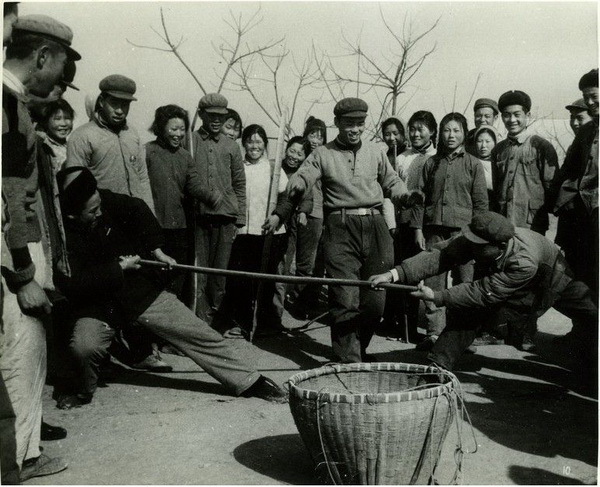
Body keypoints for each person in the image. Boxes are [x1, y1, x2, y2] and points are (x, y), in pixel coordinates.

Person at [54, 166, 288, 407]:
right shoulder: (60, 232)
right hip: (99, 305)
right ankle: (82, 391)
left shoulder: (104, 200)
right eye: (93, 211)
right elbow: (73, 284)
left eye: (100, 205)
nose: (100, 212)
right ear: (72, 215)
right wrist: (118, 269)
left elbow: (138, 209)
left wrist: (156, 249)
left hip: (137, 291)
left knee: (198, 333)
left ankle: (250, 380)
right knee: (84, 346)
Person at [369, 211, 598, 373]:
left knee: (590, 312)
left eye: (478, 246)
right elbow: (440, 255)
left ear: (498, 247)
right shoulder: (479, 238)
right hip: (507, 277)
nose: (470, 247)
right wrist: (393, 274)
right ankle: (439, 365)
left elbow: (482, 291)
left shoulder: (523, 260)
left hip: (552, 276)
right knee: (470, 312)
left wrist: (437, 297)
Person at [2, 14, 81, 481]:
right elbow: (10, 196)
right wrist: (24, 275)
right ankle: (17, 461)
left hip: (16, 252)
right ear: (42, 57)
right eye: (59, 66)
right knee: (20, 355)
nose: (60, 81)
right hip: (14, 257)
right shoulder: (9, 109)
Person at [287, 97, 418, 363]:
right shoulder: (323, 153)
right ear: (337, 124)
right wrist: (298, 185)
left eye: (360, 124)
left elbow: (391, 181)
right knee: (345, 297)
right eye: (349, 124)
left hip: (376, 226)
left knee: (375, 301)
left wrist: (405, 196)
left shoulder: (375, 152)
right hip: (340, 227)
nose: (355, 129)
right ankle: (349, 360)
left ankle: (357, 347)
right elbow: (304, 174)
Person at [411, 112, 488, 351]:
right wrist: (417, 229)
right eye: (446, 130)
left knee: (465, 284)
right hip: (434, 231)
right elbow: (419, 199)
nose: (451, 135)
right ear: (439, 133)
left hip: (464, 234)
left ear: (464, 133)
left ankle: (461, 336)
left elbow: (481, 204)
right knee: (434, 284)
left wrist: (479, 236)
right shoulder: (431, 163)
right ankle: (434, 333)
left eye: (456, 130)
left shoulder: (473, 164)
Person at [223, 125, 293, 338]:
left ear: (265, 144)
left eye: (258, 141)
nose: (254, 146)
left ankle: (264, 323)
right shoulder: (238, 167)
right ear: (243, 143)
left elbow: (287, 197)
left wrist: (277, 216)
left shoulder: (273, 168)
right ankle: (241, 323)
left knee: (266, 280)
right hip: (244, 231)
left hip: (269, 232)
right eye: (250, 141)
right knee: (241, 280)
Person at [145, 104, 220, 301]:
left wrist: (211, 196)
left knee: (176, 276)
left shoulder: (185, 156)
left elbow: (194, 184)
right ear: (161, 128)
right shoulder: (148, 152)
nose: (178, 134)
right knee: (153, 277)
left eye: (182, 129)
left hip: (178, 227)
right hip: (153, 226)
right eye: (173, 129)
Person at [190, 93, 246, 324]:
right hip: (199, 218)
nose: (216, 121)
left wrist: (240, 217)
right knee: (198, 272)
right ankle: (198, 320)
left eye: (220, 117)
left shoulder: (232, 146)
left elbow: (239, 183)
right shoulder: (190, 141)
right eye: (211, 115)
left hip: (226, 218)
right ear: (201, 114)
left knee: (219, 274)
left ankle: (213, 320)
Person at [390, 111, 438, 342]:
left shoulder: (437, 157)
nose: (416, 134)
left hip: (426, 225)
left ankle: (432, 329)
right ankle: (404, 327)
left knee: (426, 275)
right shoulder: (401, 158)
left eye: (421, 129)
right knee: (405, 273)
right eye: (413, 129)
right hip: (403, 224)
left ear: (432, 132)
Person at [551, 69, 599, 301]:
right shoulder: (588, 131)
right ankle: (583, 333)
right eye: (586, 97)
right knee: (582, 273)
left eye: (594, 96)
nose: (590, 102)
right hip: (583, 216)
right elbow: (568, 171)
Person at [492, 90, 558, 235]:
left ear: (527, 116)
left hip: (532, 223)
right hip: (503, 222)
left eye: (517, 115)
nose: (512, 120)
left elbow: (551, 186)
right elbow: (497, 187)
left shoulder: (541, 147)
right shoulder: (498, 150)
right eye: (507, 115)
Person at [279, 136, 314, 313]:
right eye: (292, 151)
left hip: (290, 223)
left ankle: (278, 307)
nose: (294, 156)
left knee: (285, 262)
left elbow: (308, 197)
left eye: (299, 154)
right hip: (272, 219)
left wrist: (302, 212)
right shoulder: (276, 168)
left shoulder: (303, 173)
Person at [472, 125, 498, 200]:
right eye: (479, 141)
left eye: (488, 141)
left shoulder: (499, 164)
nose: (483, 145)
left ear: (495, 142)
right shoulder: (471, 163)